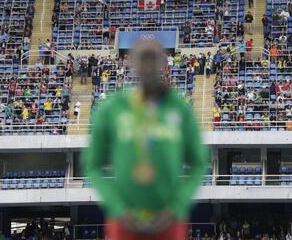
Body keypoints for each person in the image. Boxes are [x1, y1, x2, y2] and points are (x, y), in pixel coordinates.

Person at [84, 40, 207, 240]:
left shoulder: (179, 108)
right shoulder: (112, 108)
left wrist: (177, 206)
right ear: (132, 62)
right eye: (143, 59)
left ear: (163, 62)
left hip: (169, 220)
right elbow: (92, 164)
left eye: (153, 59)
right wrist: (117, 207)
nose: (148, 65)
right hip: (123, 221)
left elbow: (199, 163)